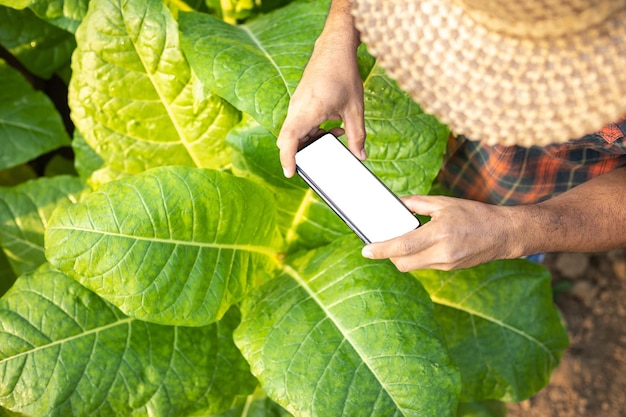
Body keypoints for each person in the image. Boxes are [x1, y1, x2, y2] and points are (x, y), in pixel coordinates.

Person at [276, 0, 626, 272]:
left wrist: (516, 232)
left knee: (498, 249)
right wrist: (337, 38)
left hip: (532, 188)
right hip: (468, 162)